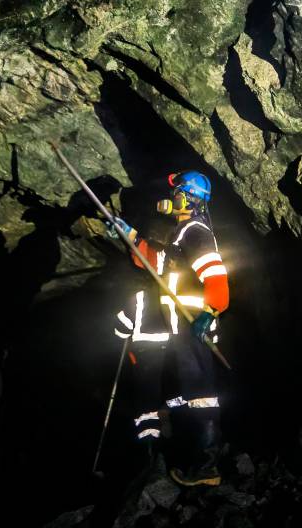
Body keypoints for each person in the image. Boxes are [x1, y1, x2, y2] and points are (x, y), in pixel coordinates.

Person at [107, 170, 229, 486]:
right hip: (181, 328)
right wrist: (128, 235)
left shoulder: (196, 233)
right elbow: (155, 261)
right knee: (186, 395)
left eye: (177, 193)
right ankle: (189, 459)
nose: (172, 198)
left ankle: (207, 467)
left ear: (189, 197)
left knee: (200, 395)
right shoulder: (181, 233)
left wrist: (210, 312)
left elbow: (216, 278)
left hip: (192, 326)